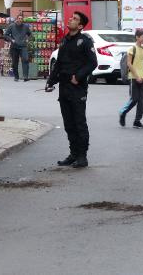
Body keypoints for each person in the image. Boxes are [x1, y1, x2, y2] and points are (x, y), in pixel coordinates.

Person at [45, 11, 97, 168]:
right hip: (64, 87)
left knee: (79, 122)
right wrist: (51, 81)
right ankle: (73, 153)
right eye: (71, 17)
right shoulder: (65, 40)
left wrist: (79, 76)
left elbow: (92, 63)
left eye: (75, 19)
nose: (71, 19)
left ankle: (82, 156)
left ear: (80, 25)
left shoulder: (85, 41)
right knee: (68, 123)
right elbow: (59, 64)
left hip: (77, 87)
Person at [4, 14, 32, 81]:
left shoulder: (25, 27)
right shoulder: (11, 26)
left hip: (23, 46)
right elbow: (6, 35)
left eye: (21, 18)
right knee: (14, 62)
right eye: (19, 18)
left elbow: (30, 34)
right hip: (14, 47)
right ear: (16, 19)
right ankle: (16, 77)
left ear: (22, 20)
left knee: (25, 59)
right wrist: (11, 40)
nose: (20, 20)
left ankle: (25, 76)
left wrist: (28, 39)